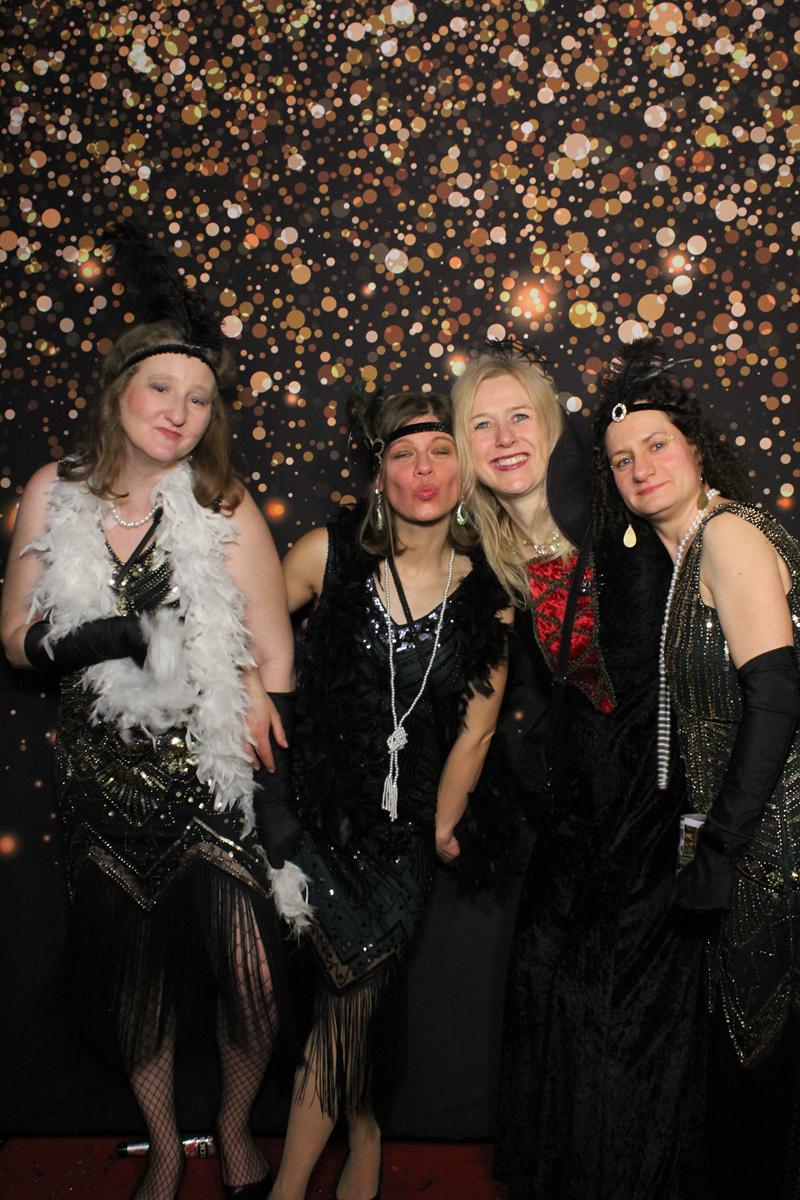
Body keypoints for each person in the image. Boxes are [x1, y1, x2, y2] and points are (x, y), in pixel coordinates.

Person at [1, 312, 303, 1200]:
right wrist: (103, 636)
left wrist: (256, 707)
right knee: (134, 989)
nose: (179, 411)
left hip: (210, 777)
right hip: (103, 773)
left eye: (200, 400)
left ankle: (235, 1129)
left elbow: (274, 651)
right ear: (119, 394)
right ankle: (166, 1149)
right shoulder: (53, 491)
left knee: (253, 979)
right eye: (162, 388)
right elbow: (15, 637)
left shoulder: (223, 503)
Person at [451, 340, 706, 1200]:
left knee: (622, 1022)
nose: (505, 439)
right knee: (546, 992)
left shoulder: (620, 509)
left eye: (519, 416)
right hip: (579, 818)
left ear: (555, 427)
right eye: (482, 425)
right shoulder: (498, 557)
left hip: (657, 811)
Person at [266, 388, 512, 1200]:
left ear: (464, 471)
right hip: (317, 819)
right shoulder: (327, 556)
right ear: (380, 476)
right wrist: (250, 703)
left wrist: (441, 828)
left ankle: (315, 1172)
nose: (424, 469)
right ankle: (354, 1144)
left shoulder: (488, 595)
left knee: (355, 1000)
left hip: (402, 839)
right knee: (344, 1003)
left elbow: (476, 731)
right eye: (404, 454)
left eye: (441, 451)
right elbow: (246, 629)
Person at [597, 336, 800, 1199]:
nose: (641, 467)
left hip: (772, 847)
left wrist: (719, 851)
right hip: (746, 840)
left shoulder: (727, 535)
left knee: (760, 1059)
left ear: (696, 450)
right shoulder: (685, 555)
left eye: (657, 444)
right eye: (621, 459)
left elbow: (778, 696)